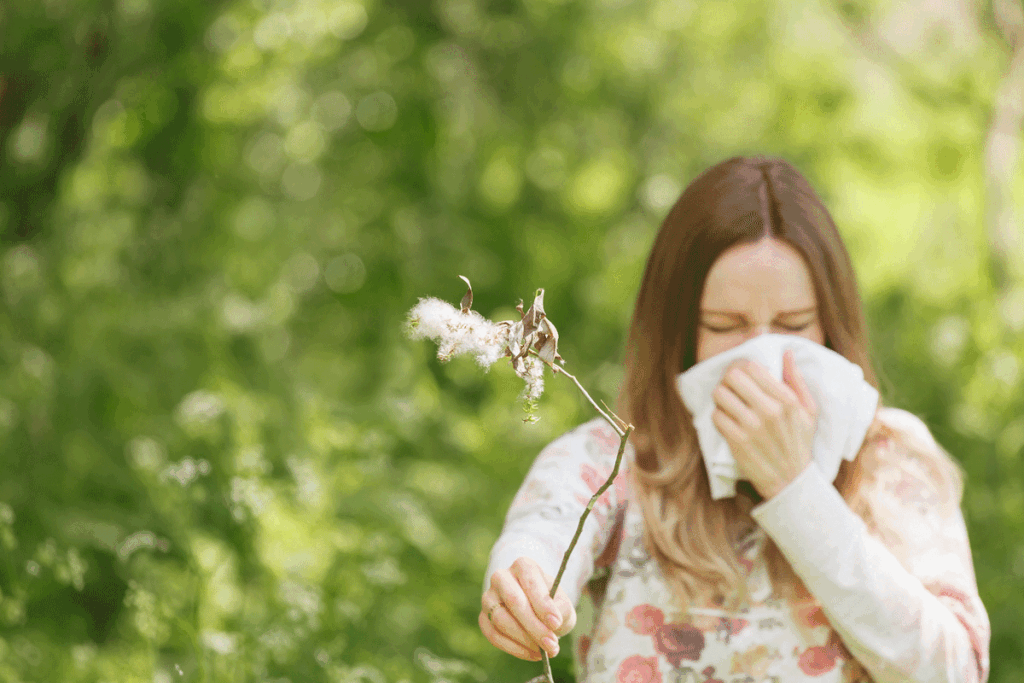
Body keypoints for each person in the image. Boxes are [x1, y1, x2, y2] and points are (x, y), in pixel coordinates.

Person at [478, 155, 991, 682]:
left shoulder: (890, 456)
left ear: (831, 326)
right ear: (680, 334)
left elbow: (955, 671)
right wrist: (525, 586)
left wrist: (796, 491)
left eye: (793, 324)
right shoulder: (614, 457)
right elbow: (545, 532)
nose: (759, 355)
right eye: (725, 325)